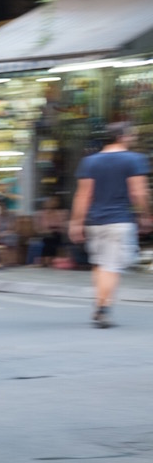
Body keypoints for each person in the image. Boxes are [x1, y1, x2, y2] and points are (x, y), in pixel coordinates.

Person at [70, 121, 150, 328]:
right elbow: (138, 192)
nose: (132, 139)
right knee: (111, 267)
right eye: (131, 135)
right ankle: (103, 310)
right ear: (123, 137)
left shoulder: (90, 162)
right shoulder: (134, 160)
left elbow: (83, 195)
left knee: (100, 265)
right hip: (119, 221)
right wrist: (145, 215)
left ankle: (99, 304)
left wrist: (76, 223)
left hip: (95, 223)